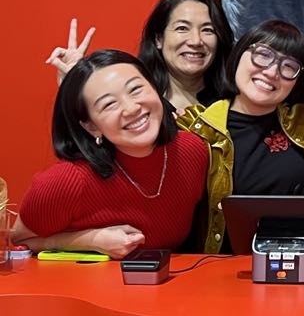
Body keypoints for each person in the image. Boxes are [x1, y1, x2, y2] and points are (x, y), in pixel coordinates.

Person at [13, 50, 207, 257]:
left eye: (135, 89)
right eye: (109, 104)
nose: (131, 109)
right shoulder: (66, 182)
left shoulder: (192, 150)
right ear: (91, 127)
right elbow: (18, 239)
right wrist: (91, 241)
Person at [178, 20, 304, 253]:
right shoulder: (196, 127)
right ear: (239, 53)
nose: (271, 72)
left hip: (300, 263)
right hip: (220, 267)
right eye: (263, 55)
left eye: (288, 66)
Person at [45, 0, 235, 112]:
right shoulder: (134, 103)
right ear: (158, 39)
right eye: (182, 28)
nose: (196, 41)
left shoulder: (234, 103)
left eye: (208, 30)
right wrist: (74, 87)